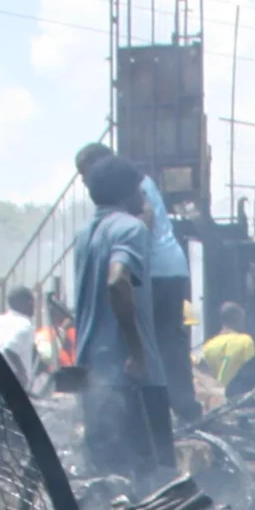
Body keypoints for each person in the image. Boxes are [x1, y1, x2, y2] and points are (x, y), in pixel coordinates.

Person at [76, 142, 195, 423]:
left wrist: (136, 249)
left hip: (158, 271)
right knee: (163, 344)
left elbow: (146, 218)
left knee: (158, 344)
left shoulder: (132, 192)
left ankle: (182, 410)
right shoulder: (108, 222)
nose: (84, 181)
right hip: (161, 269)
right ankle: (178, 409)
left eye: (85, 172)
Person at [72, 155, 168, 479]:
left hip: (92, 376)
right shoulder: (130, 228)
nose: (143, 197)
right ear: (127, 193)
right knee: (153, 480)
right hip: (130, 378)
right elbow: (117, 281)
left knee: (106, 481)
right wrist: (138, 354)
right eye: (140, 190)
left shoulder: (84, 234)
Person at [0, 285, 38, 387]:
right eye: (32, 302)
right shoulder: (24, 324)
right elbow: (10, 349)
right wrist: (22, 374)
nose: (34, 306)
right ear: (27, 303)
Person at [199, 302, 255, 388]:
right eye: (243, 320)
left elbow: (204, 375)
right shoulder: (245, 341)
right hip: (239, 394)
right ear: (238, 318)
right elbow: (252, 371)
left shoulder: (208, 345)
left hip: (215, 394)